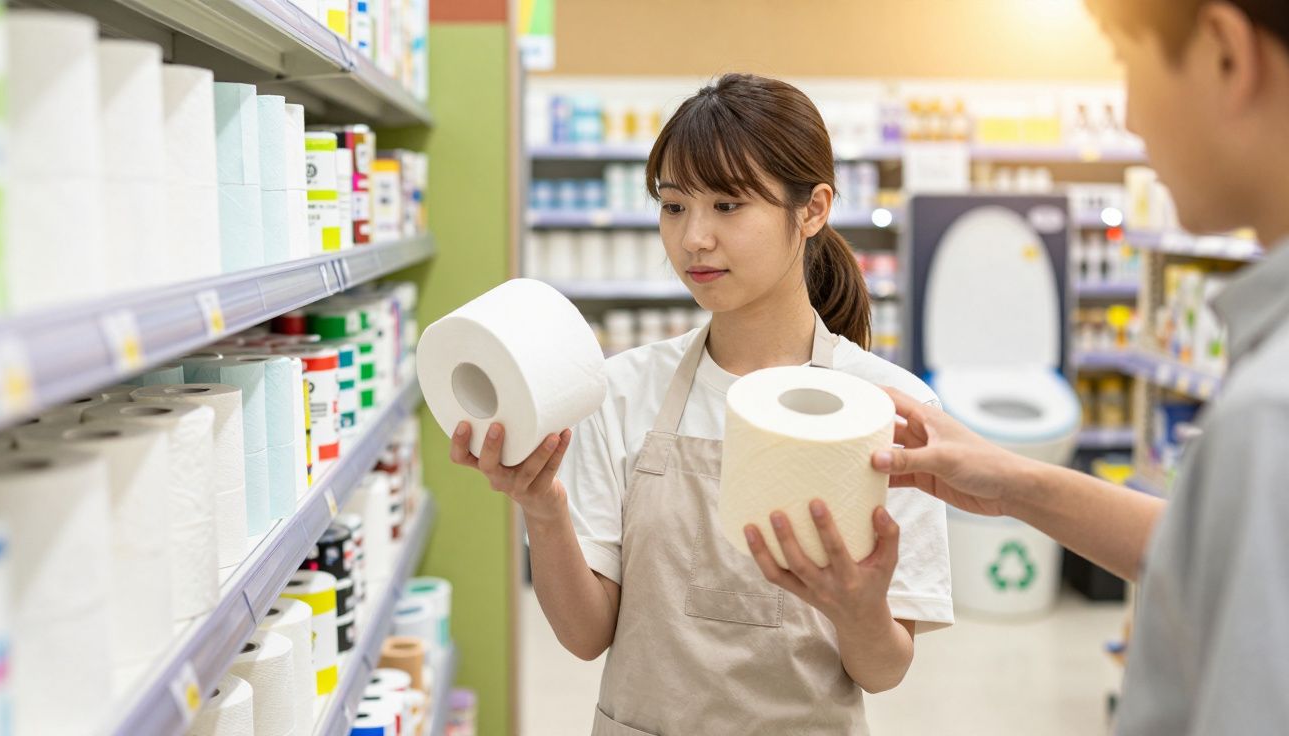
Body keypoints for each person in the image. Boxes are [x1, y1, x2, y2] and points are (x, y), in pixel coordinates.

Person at [450, 73, 953, 734]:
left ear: (813, 209)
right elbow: (585, 635)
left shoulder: (889, 409)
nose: (693, 239)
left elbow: (882, 671)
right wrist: (542, 511)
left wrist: (860, 612)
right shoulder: (620, 391)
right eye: (674, 205)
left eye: (727, 206)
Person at [871, 2, 1289, 732]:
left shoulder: (1268, 415)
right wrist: (1011, 479)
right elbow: (1215, 558)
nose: (1128, 117)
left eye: (1128, 64)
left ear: (1226, 53)